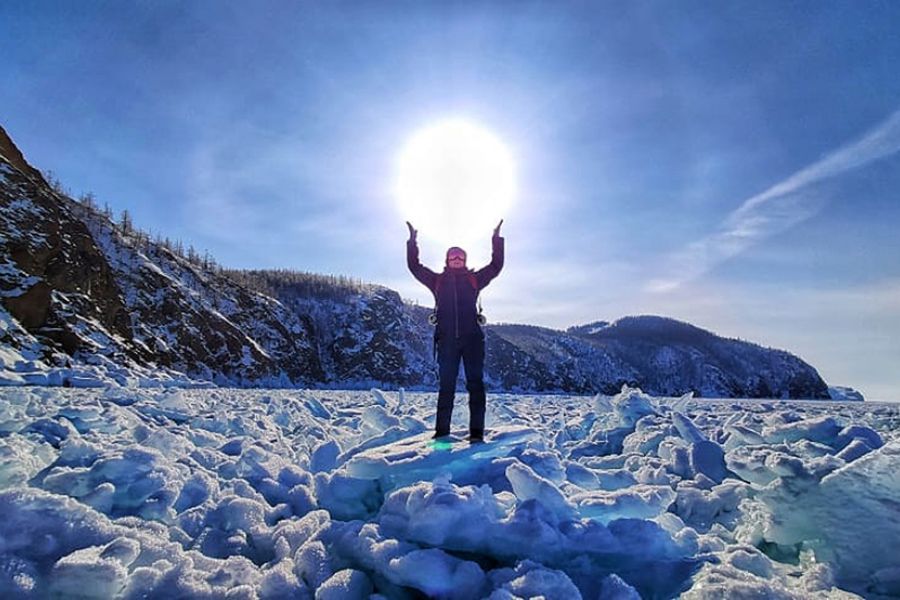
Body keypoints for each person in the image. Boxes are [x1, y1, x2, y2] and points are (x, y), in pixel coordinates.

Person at [406, 219, 504, 441]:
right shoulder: (437, 281)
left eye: (460, 256)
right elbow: (415, 267)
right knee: (446, 388)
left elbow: (495, 266)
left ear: (465, 260)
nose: (457, 259)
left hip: (472, 341)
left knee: (476, 386)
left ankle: (476, 435)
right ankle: (441, 435)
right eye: (453, 256)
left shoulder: (474, 280)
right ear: (447, 260)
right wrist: (412, 242)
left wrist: (496, 239)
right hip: (447, 341)